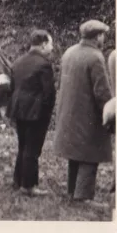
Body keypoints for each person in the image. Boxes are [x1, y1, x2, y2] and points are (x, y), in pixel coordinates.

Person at [54, 20, 113, 207]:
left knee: (75, 153)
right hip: (88, 115)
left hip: (69, 113)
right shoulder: (95, 57)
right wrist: (111, 112)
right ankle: (83, 197)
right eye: (102, 35)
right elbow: (102, 92)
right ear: (97, 37)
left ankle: (72, 191)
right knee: (90, 154)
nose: (104, 38)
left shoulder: (69, 52)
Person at [8, 30, 56, 197]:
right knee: (33, 149)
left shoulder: (18, 61)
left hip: (18, 109)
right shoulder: (44, 64)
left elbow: (12, 87)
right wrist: (47, 113)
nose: (52, 47)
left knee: (23, 146)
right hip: (36, 112)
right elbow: (49, 93)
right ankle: (28, 186)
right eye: (50, 44)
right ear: (43, 44)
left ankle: (18, 180)